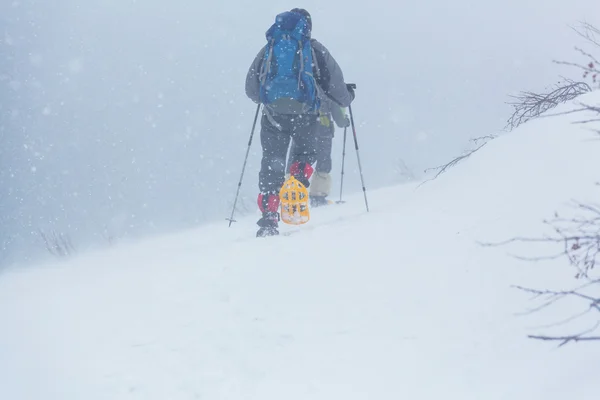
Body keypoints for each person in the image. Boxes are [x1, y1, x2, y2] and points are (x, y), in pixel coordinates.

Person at [245, 8, 355, 237]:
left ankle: (268, 218)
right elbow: (335, 86)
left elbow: (251, 90)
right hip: (305, 115)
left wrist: (270, 98)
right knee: (305, 153)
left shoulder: (269, 49)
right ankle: (296, 179)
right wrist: (348, 97)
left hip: (273, 116)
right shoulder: (314, 50)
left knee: (271, 164)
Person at [287, 96, 350, 207]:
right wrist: (344, 120)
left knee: (296, 157)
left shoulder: (300, 80)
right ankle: (318, 195)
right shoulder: (328, 84)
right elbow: (339, 117)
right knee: (323, 160)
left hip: (300, 123)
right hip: (322, 126)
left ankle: (289, 192)